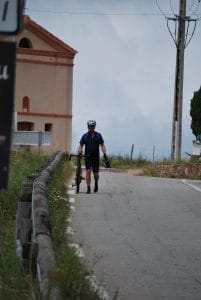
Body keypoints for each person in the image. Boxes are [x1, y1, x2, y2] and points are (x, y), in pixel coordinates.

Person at [78, 120, 107, 194]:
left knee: (96, 174)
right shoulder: (85, 136)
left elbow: (102, 145)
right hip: (87, 156)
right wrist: (80, 152)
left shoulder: (98, 135)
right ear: (87, 127)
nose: (91, 128)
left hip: (96, 157)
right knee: (88, 172)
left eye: (92, 126)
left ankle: (96, 183)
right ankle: (88, 188)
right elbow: (81, 145)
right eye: (90, 126)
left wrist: (104, 153)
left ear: (94, 127)